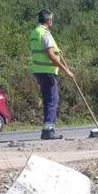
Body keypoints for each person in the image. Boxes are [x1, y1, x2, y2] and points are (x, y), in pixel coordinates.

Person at [30, 9, 74, 140]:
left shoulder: (34, 32)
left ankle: (47, 128)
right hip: (48, 72)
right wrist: (67, 71)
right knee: (52, 100)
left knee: (48, 100)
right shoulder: (45, 34)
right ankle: (49, 130)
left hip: (38, 71)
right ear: (48, 21)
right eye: (51, 19)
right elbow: (51, 56)